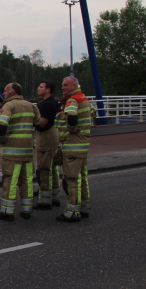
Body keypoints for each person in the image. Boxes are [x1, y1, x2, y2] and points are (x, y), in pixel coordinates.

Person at [0, 83, 41, 221]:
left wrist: (2, 140)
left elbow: (2, 126)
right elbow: (38, 122)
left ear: (12, 92)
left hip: (11, 152)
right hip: (27, 150)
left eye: (5, 91)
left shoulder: (9, 106)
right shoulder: (31, 106)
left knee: (10, 181)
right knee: (27, 181)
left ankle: (7, 212)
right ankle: (27, 210)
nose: (4, 93)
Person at [56, 76, 93, 222]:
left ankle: (71, 211)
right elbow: (93, 114)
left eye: (66, 85)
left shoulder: (72, 100)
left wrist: (71, 129)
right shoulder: (85, 99)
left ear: (74, 85)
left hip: (73, 145)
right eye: (62, 85)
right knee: (82, 177)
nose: (63, 87)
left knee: (71, 178)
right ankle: (84, 207)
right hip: (84, 144)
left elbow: (71, 116)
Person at [34, 80, 62, 209]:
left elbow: (42, 124)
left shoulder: (47, 104)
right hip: (53, 137)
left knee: (44, 169)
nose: (38, 89)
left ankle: (45, 201)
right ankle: (55, 197)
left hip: (46, 139)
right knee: (53, 168)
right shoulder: (54, 102)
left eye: (41, 87)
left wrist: (30, 120)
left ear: (48, 89)